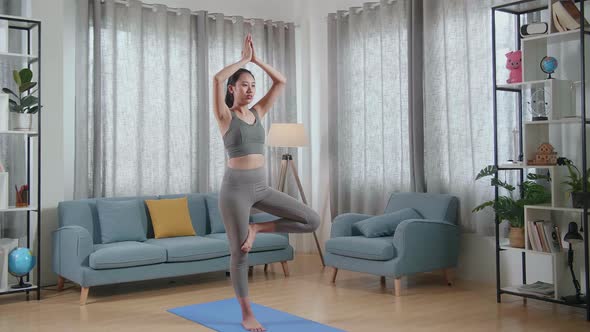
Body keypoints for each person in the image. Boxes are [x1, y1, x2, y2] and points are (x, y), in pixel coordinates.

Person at [212, 33, 321, 332]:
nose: (250, 90)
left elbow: (281, 82)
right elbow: (216, 78)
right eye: (244, 85)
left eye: (253, 85)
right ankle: (247, 313)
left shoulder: (258, 113)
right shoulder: (225, 117)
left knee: (312, 219)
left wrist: (257, 61)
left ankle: (257, 227)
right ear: (233, 89)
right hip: (235, 191)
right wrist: (242, 61)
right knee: (239, 252)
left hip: (261, 187)